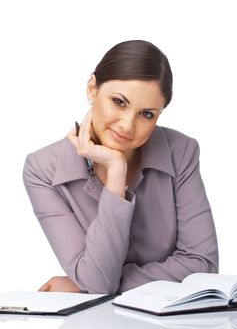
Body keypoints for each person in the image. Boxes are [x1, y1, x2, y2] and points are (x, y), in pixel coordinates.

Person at [23, 40, 218, 294]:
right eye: (119, 102)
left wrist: (90, 285)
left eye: (146, 114)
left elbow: (203, 266)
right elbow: (97, 283)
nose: (127, 125)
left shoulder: (181, 152)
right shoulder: (43, 170)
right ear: (92, 89)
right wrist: (116, 172)